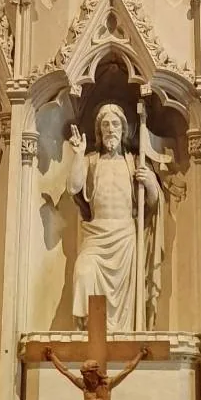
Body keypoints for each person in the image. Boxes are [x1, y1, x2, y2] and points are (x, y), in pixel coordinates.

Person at [68, 104, 161, 332]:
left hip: (125, 239)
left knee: (124, 306)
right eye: (105, 124)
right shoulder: (91, 161)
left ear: (124, 129)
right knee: (83, 271)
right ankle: (92, 334)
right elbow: (73, 187)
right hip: (96, 239)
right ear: (99, 130)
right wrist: (79, 155)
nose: (111, 129)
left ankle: (120, 335)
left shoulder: (134, 162)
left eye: (116, 124)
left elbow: (152, 204)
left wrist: (150, 183)